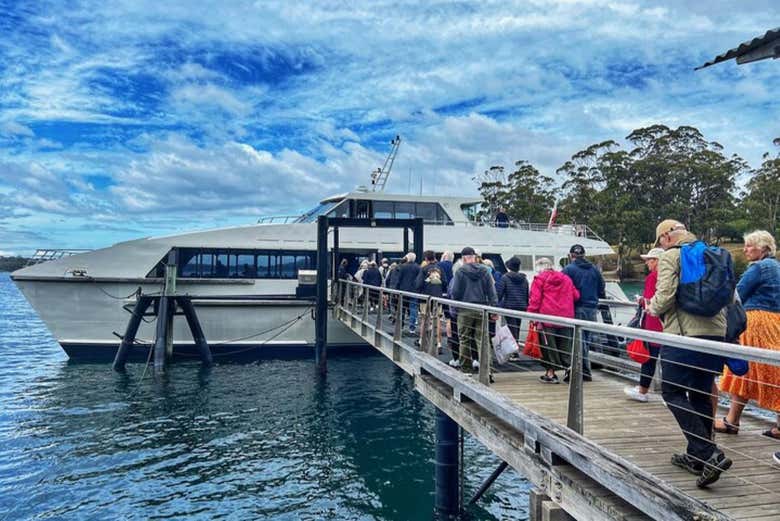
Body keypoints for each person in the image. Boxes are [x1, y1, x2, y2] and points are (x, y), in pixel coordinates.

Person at [648, 219, 732, 488]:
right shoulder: (711, 253)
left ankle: (709, 453)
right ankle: (697, 457)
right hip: (714, 335)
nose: (661, 245)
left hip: (684, 336)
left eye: (660, 241)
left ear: (667, 237)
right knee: (699, 393)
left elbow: (666, 295)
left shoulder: (672, 256)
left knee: (671, 392)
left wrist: (651, 308)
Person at [715, 230, 780, 439]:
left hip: (755, 323)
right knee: (770, 371)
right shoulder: (776, 267)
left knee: (743, 371)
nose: (745, 250)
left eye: (749, 246)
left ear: (763, 247)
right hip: (775, 322)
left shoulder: (760, 267)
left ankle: (732, 422)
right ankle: (736, 421)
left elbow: (737, 293)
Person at [527, 257, 579, 384]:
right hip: (566, 319)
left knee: (548, 347)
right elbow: (576, 295)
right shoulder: (566, 279)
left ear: (539, 268)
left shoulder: (539, 280)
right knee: (565, 347)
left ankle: (551, 373)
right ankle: (570, 371)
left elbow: (535, 300)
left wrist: (531, 315)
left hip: (547, 319)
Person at [624, 247, 665, 402]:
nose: (647, 263)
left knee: (650, 358)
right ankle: (673, 394)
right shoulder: (671, 276)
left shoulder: (653, 277)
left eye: (649, 260)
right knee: (669, 361)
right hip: (669, 325)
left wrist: (640, 300)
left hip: (654, 323)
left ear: (656, 261)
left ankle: (642, 391)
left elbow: (648, 302)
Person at [451, 246, 497, 373]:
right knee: (483, 340)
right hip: (482, 308)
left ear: (463, 258)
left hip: (465, 309)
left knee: (464, 339)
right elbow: (492, 291)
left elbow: (455, 292)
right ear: (474, 257)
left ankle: (466, 369)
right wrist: (493, 309)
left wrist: (455, 307)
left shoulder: (460, 271)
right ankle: (487, 370)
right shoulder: (485, 270)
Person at [562, 244, 605, 381]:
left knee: (576, 341)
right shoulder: (594, 269)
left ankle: (582, 372)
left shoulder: (568, 270)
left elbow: (563, 289)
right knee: (586, 340)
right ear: (584, 255)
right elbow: (601, 287)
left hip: (577, 307)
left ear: (571, 255)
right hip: (592, 307)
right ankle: (585, 371)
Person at [415, 250, 447, 347]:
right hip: (437, 297)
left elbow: (418, 284)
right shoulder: (440, 268)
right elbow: (445, 282)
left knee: (424, 319)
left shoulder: (424, 269)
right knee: (437, 319)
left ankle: (422, 340)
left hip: (425, 297)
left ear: (426, 259)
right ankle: (439, 343)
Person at [495, 255, 529, 341]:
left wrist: (495, 306)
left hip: (509, 307)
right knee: (517, 328)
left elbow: (499, 294)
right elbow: (526, 294)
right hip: (521, 307)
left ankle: (513, 350)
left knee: (512, 330)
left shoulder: (505, 278)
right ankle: (515, 347)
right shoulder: (524, 279)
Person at [394, 252, 422, 333]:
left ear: (407, 258)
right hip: (414, 291)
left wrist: (396, 290)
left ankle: (401, 325)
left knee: (401, 308)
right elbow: (419, 280)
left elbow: (398, 279)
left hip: (403, 290)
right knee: (413, 309)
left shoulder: (402, 267)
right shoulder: (418, 267)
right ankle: (412, 328)